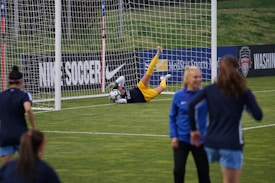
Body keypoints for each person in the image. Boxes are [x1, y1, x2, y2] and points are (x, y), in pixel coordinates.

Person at [188, 55, 263, 183]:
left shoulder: (210, 89)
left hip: (211, 144)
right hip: (231, 142)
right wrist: (249, 102)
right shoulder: (242, 91)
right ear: (237, 70)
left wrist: (194, 131)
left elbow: (191, 105)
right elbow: (258, 115)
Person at [169, 66, 210, 183]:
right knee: (178, 171)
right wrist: (174, 136)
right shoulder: (178, 96)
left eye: (200, 77)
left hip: (200, 141)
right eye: (195, 77)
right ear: (187, 79)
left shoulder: (204, 95)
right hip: (182, 139)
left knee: (203, 173)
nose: (199, 79)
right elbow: (172, 117)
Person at [107, 46, 171, 104]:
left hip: (140, 87)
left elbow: (122, 77)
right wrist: (115, 99)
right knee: (163, 88)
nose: (120, 87)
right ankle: (163, 79)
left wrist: (115, 82)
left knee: (149, 70)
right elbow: (122, 101)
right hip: (145, 96)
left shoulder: (122, 87)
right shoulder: (123, 99)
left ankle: (158, 53)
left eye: (119, 87)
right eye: (119, 89)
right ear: (118, 94)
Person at [0, 66, 35, 165]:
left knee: (6, 168)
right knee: (28, 165)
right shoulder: (24, 95)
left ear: (8, 81)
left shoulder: (1, 95)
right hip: (21, 134)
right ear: (21, 81)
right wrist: (33, 127)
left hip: (4, 134)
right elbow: (28, 109)